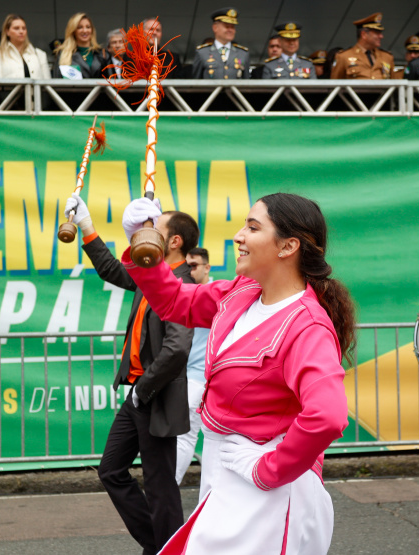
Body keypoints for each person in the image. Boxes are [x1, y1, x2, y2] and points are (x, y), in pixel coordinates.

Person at [118, 192, 352, 554]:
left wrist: (269, 469)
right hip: (225, 475)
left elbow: (328, 415)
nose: (238, 236)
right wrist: (140, 239)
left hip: (266, 495)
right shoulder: (242, 293)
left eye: (253, 227)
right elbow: (173, 301)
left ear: (287, 246)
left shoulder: (306, 326)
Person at [64, 193, 197, 555]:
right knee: (111, 470)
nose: (145, 231)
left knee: (159, 485)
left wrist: (144, 390)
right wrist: (87, 227)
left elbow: (176, 349)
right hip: (138, 394)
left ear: (174, 241)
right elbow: (112, 269)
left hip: (156, 395)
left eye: (154, 226)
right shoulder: (153, 276)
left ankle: (166, 547)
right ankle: (161, 545)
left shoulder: (182, 285)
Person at [175, 247, 212, 484]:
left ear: (207, 267)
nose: (189, 270)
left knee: (185, 437)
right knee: (186, 436)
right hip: (183, 377)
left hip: (199, 378)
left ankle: (169, 488)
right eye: (186, 265)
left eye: (194, 265)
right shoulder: (184, 292)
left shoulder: (216, 294)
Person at [330, 12, 394, 79]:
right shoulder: (343, 56)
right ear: (364, 34)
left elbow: (396, 85)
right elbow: (335, 85)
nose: (381, 36)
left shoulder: (387, 57)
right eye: (377, 33)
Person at [191, 8, 249, 79]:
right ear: (215, 28)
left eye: (232, 27)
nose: (230, 30)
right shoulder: (202, 52)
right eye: (227, 26)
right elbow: (196, 82)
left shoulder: (243, 53)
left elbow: (246, 83)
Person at [0, 14, 50, 79]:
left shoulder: (39, 54)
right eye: (16, 28)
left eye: (24, 28)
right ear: (7, 31)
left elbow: (48, 83)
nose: (21, 31)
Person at [52, 13, 103, 79]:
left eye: (88, 27)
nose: (85, 31)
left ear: (92, 30)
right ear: (73, 31)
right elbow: (56, 81)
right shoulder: (63, 54)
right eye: (80, 27)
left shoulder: (102, 54)